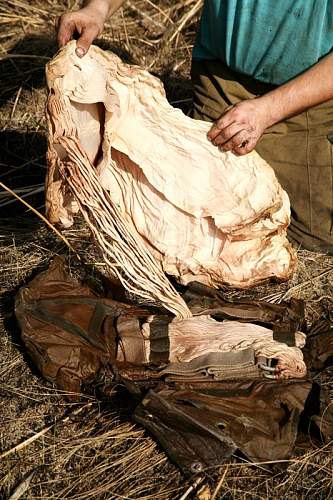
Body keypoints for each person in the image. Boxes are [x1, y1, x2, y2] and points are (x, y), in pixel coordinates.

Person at [57, 0, 333, 253]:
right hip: (224, 77)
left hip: (308, 90)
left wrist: (268, 110)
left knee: (310, 235)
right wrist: (98, 8)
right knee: (190, 221)